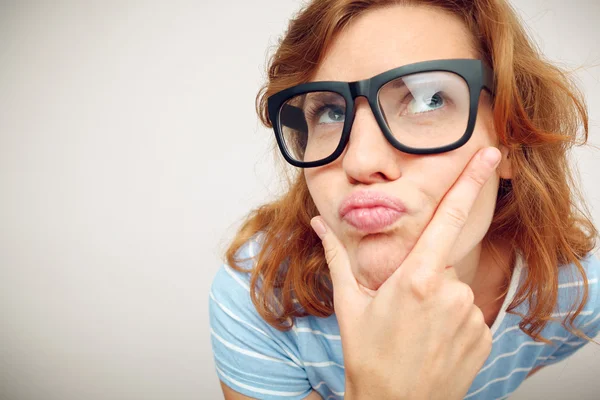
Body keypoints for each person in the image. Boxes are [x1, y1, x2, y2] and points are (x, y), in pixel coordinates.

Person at [209, 0, 600, 398]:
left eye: (427, 99)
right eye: (329, 112)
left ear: (511, 142)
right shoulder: (259, 299)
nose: (360, 161)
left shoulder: (574, 292)